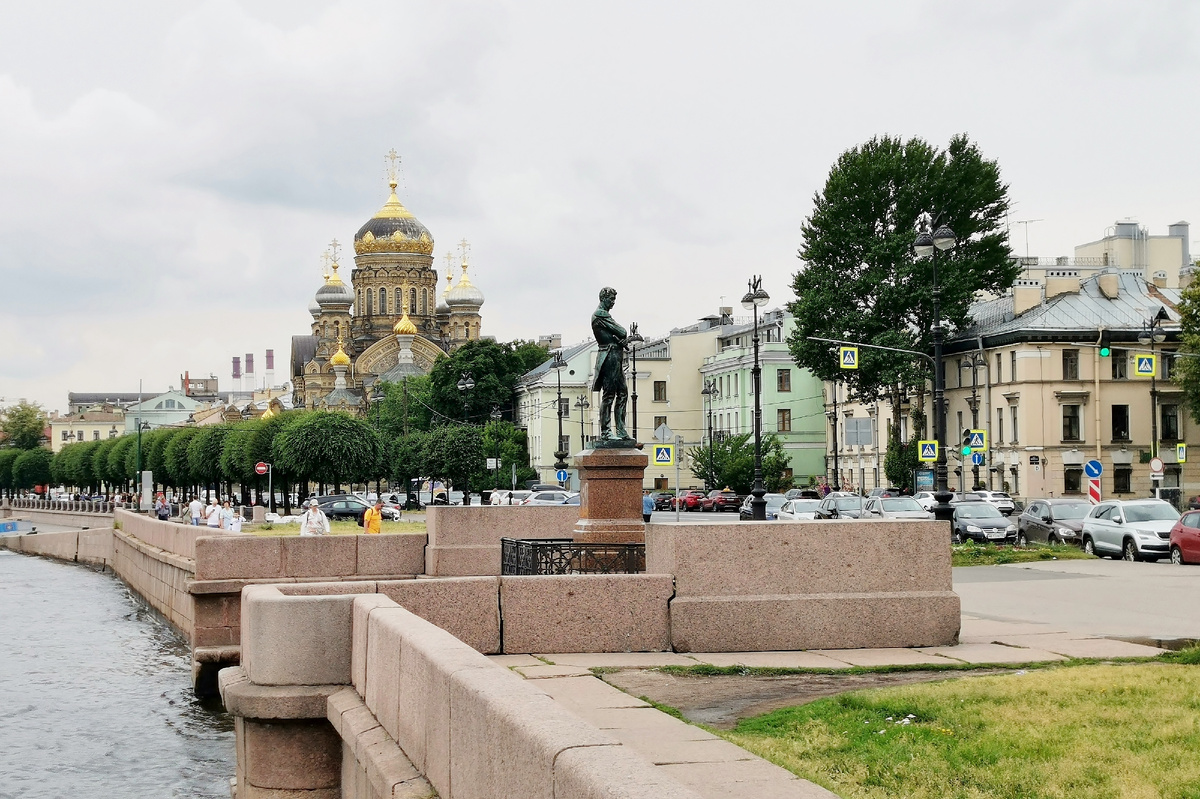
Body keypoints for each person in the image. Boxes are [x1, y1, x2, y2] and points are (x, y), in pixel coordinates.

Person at [590, 287, 637, 443]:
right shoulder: (600, 315)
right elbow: (622, 332)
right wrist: (620, 338)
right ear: (603, 298)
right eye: (611, 299)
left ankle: (621, 430)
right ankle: (606, 431)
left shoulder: (605, 316)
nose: (613, 303)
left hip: (615, 356)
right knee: (609, 395)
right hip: (608, 356)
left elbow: (615, 336)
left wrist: (618, 341)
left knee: (623, 393)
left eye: (614, 300)